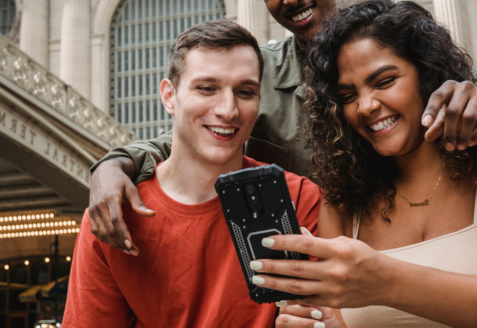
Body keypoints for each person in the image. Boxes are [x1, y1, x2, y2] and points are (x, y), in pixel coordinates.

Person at [88, 0, 477, 257]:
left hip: (420, 246)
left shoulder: (398, 44)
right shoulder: (255, 77)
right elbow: (191, 140)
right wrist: (116, 163)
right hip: (315, 268)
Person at [248, 0, 477, 328]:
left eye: (385, 81)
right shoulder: (343, 200)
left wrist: (386, 281)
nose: (365, 106)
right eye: (348, 96)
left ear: (428, 75)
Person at [63, 21, 322, 327]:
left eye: (245, 91)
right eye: (207, 88)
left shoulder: (299, 199)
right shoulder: (113, 216)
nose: (228, 110)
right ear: (169, 96)